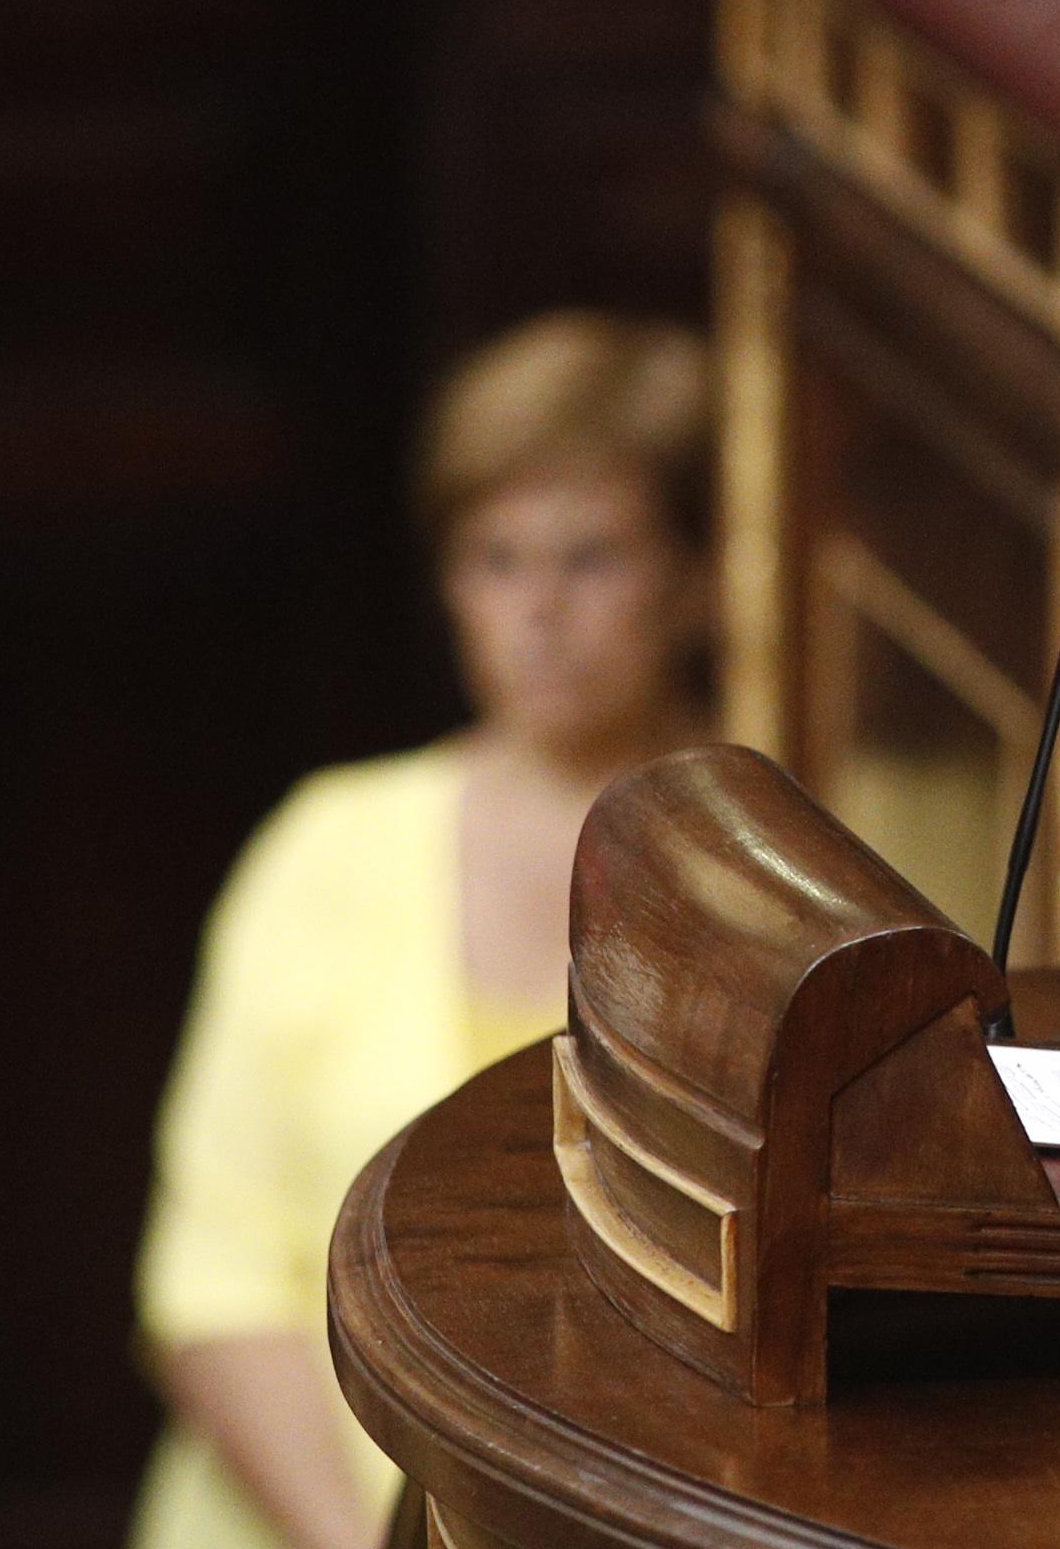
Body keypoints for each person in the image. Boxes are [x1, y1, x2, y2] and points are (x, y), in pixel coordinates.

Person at [127, 315, 712, 1549]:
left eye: (591, 557)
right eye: (495, 559)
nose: (538, 609)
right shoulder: (326, 845)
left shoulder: (763, 862)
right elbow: (212, 1275)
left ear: (695, 577)